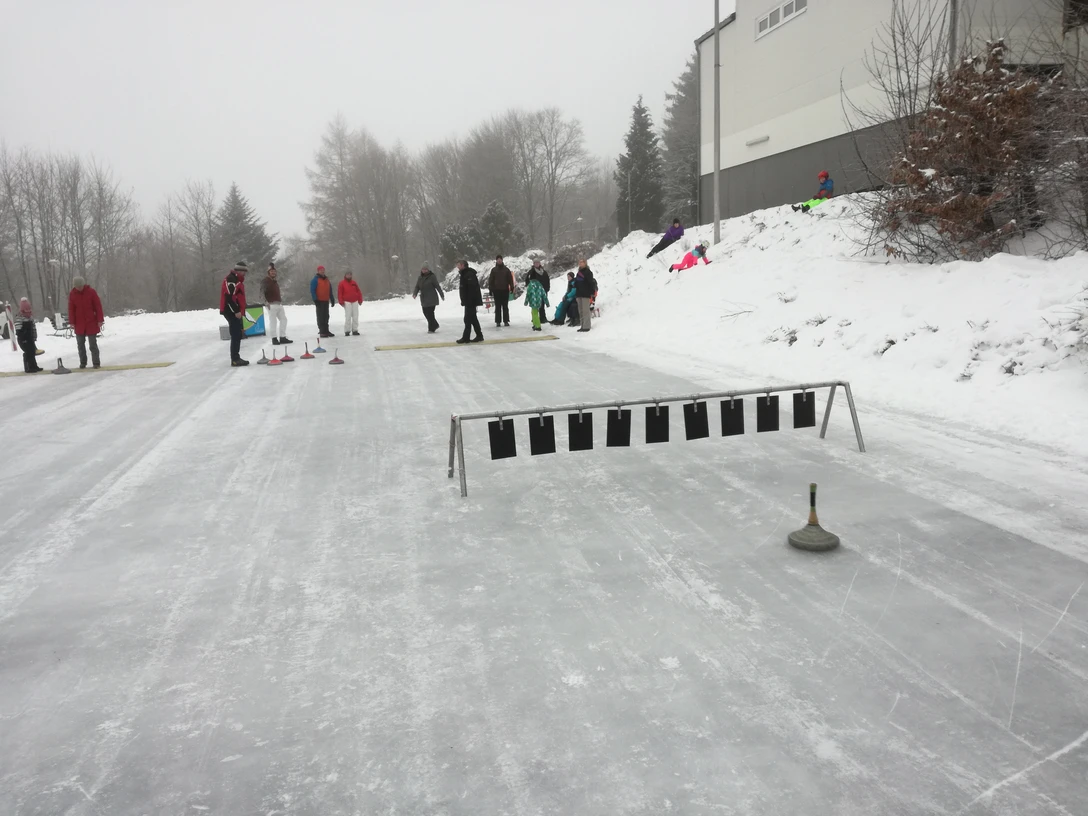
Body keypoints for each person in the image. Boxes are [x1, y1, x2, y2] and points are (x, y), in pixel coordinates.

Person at [68, 275, 104, 369]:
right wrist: (72, 322)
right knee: (80, 344)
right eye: (77, 287)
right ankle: (83, 363)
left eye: (80, 286)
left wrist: (100, 320)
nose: (79, 288)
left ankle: (96, 363)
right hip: (79, 323)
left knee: (93, 344)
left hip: (91, 322)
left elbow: (98, 306)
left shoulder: (91, 292)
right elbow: (71, 309)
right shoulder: (72, 294)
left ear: (83, 285)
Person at [220, 261, 249, 366]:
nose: (245, 274)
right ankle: (235, 359)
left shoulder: (238, 280)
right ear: (239, 270)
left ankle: (236, 357)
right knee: (235, 334)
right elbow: (229, 296)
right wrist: (236, 310)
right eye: (244, 271)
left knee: (237, 334)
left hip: (235, 311)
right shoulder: (231, 279)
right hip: (230, 311)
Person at [456, 260, 485, 344]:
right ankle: (479, 335)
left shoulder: (469, 274)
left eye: (459, 265)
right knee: (472, 319)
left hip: (471, 301)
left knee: (468, 319)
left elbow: (472, 289)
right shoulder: (464, 274)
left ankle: (466, 337)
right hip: (468, 301)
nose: (457, 266)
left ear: (463, 265)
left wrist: (469, 300)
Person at [262, 263, 290, 345]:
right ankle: (274, 338)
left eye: (274, 271)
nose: (273, 272)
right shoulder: (265, 281)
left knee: (284, 319)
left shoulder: (274, 282)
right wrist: (266, 303)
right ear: (268, 272)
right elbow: (261, 293)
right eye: (271, 271)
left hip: (278, 304)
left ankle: (282, 337)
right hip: (271, 304)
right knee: (273, 322)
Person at [412, 263, 445, 333]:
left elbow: (437, 286)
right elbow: (417, 286)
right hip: (424, 298)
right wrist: (415, 293)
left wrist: (441, 294)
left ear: (428, 270)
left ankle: (431, 328)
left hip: (432, 297)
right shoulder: (420, 278)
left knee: (430, 313)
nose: (424, 271)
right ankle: (435, 324)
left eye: (426, 269)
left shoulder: (432, 277)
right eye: (423, 269)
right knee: (425, 313)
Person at [14, 298, 43, 373]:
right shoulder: (19, 317)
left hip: (30, 338)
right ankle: (28, 367)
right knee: (28, 352)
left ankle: (34, 366)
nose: (28, 312)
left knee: (32, 351)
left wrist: (34, 336)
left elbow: (33, 328)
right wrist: (22, 337)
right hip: (23, 338)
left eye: (29, 310)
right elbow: (18, 329)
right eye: (26, 310)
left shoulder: (30, 317)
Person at [488, 255, 515, 327]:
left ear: (502, 260)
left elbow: (510, 280)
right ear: (496, 261)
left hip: (505, 290)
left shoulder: (506, 270)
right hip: (496, 291)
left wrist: (512, 288)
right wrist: (490, 289)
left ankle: (506, 321)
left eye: (500, 259)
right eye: (498, 259)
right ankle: (498, 321)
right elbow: (491, 280)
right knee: (498, 307)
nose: (499, 261)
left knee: (505, 306)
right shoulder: (493, 270)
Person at [310, 265, 336, 337]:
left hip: (326, 300)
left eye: (323, 270)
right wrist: (315, 299)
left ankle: (326, 330)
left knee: (326, 316)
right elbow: (312, 290)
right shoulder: (315, 280)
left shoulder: (327, 279)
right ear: (318, 271)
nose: (322, 271)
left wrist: (332, 298)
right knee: (320, 316)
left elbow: (329, 289)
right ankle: (322, 331)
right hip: (319, 300)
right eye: (321, 270)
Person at [337, 269, 363, 336]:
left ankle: (355, 330)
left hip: (355, 301)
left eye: (350, 274)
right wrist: (341, 301)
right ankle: (347, 330)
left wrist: (360, 300)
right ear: (345, 275)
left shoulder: (354, 283)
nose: (349, 275)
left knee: (355, 316)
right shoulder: (342, 283)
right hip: (347, 301)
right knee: (348, 316)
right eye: (347, 274)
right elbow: (340, 293)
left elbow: (358, 291)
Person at [525, 259, 551, 324]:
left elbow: (547, 280)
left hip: (543, 290)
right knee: (536, 305)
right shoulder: (531, 271)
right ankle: (535, 318)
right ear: (533, 264)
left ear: (540, 263)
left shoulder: (544, 272)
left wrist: (547, 288)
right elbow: (527, 280)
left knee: (542, 304)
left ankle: (543, 318)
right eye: (535, 263)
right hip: (535, 291)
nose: (537, 264)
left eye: (538, 262)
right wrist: (530, 287)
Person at [574, 259, 596, 333]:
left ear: (585, 263)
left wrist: (592, 292)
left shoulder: (588, 272)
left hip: (585, 293)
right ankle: (582, 325)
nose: (580, 263)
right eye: (579, 262)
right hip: (579, 293)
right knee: (580, 310)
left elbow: (590, 282)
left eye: (582, 262)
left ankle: (587, 326)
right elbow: (576, 282)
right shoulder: (579, 272)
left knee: (585, 310)